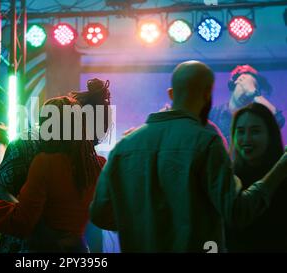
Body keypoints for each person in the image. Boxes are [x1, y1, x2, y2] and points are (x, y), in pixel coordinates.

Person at [90, 60, 287, 252]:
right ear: (208, 94)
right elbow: (237, 212)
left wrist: (143, 224)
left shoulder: (125, 145)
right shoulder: (207, 140)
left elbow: (99, 213)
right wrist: (281, 167)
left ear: (171, 94)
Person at [0, 78, 111, 253]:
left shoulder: (44, 154)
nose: (94, 140)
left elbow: (2, 192)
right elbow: (2, 189)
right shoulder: (28, 143)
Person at [226, 103, 287, 252]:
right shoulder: (229, 177)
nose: (246, 139)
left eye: (255, 131)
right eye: (240, 131)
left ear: (270, 134)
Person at [209, 64, 285, 144]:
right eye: (243, 86)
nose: (246, 92)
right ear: (233, 85)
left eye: (250, 88)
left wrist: (253, 92)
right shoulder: (213, 114)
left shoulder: (255, 117)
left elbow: (279, 120)